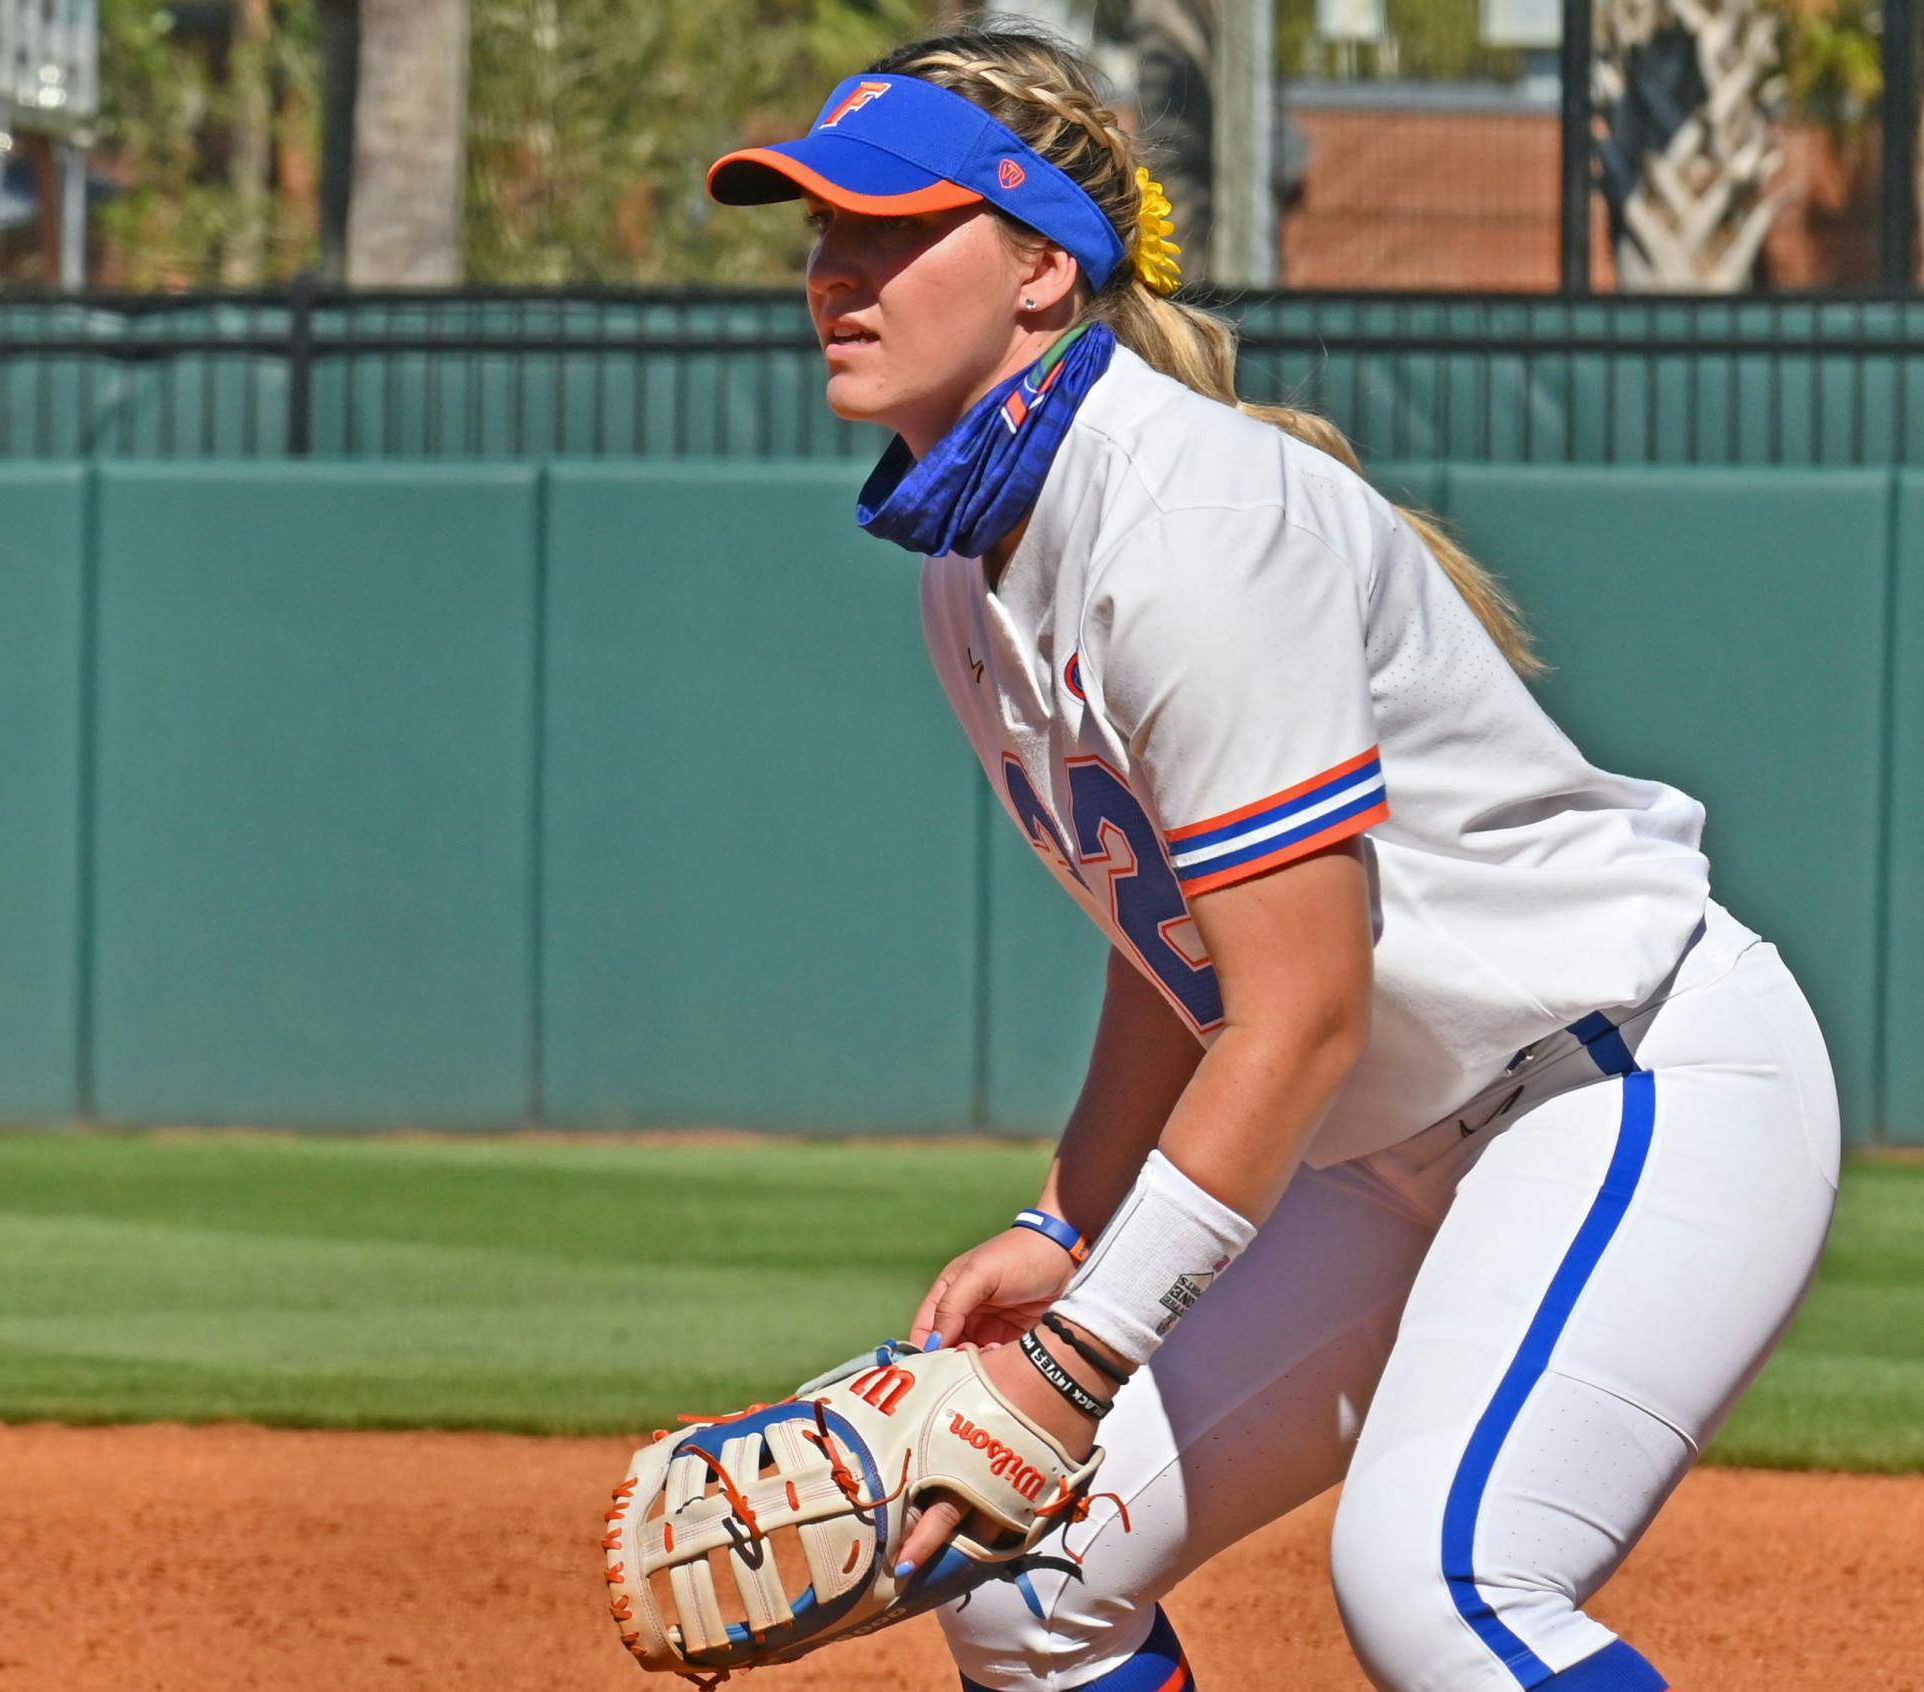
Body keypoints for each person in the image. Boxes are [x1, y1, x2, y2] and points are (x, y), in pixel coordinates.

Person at [706, 22, 1839, 1692]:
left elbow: (1298, 1010)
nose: (836, 272)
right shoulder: (975, 551)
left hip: (1616, 1081)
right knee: (1024, 1590)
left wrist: (1078, 1360)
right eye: (824, 228)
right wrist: (1065, 1223)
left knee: (1442, 1586)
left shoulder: (1189, 521)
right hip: (1382, 1152)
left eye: (896, 226)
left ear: (1041, 268)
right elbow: (1175, 941)